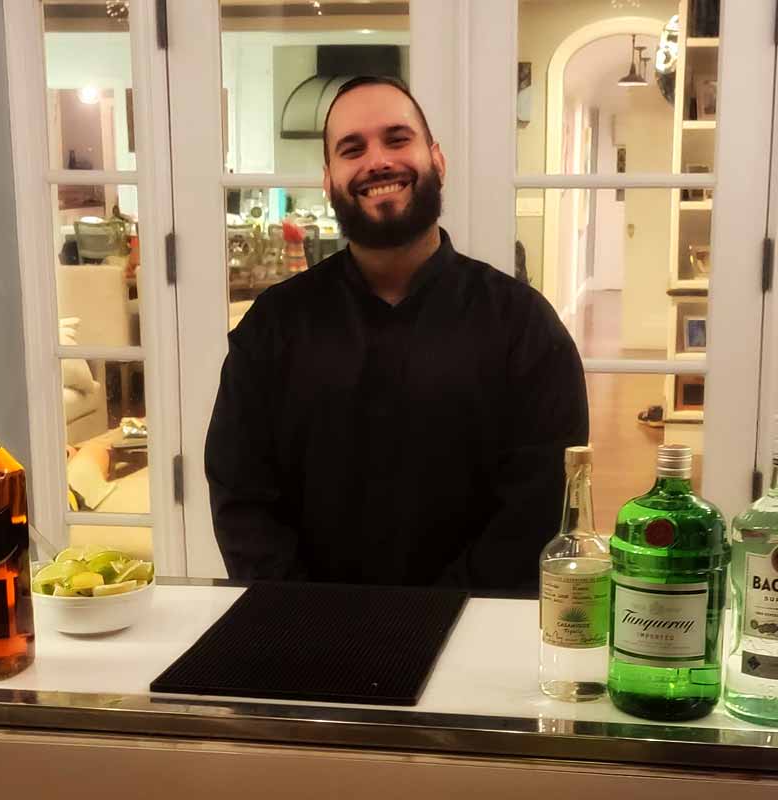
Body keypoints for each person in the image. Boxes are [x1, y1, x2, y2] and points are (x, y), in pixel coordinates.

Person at [205, 76, 588, 591]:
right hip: (304, 624)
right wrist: (302, 612)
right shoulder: (273, 327)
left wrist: (434, 616)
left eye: (397, 139)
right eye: (352, 149)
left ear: (437, 160)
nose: (378, 161)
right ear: (329, 181)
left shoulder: (524, 327)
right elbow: (241, 497)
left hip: (475, 625)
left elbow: (539, 506)